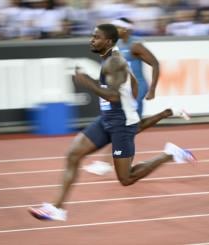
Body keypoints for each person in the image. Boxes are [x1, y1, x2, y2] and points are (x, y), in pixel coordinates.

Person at [28, 24, 195, 221]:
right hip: (108, 119)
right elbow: (125, 91)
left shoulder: (115, 62)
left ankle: (169, 154)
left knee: (126, 178)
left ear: (108, 41)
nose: (91, 40)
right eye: (92, 36)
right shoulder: (110, 59)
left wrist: (87, 82)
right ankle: (58, 208)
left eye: (96, 37)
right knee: (73, 154)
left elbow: (114, 96)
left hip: (121, 124)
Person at [83, 17, 190, 176]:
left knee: (127, 127)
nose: (115, 30)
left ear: (125, 30)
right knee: (130, 127)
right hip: (122, 90)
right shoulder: (115, 47)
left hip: (134, 93)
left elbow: (155, 63)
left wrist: (152, 88)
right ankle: (168, 115)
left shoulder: (135, 45)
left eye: (118, 27)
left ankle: (110, 161)